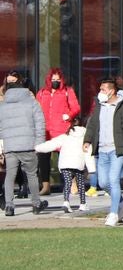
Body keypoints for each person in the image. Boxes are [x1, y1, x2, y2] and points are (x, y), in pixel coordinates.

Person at [83, 80, 123, 226]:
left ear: (112, 91)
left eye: (103, 89)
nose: (100, 92)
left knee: (114, 180)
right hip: (102, 150)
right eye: (100, 89)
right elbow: (93, 124)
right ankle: (122, 202)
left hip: (117, 150)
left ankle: (113, 213)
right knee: (103, 182)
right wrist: (87, 140)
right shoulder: (99, 106)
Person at [0, 74, 48, 215]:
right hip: (28, 144)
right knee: (32, 175)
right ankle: (36, 204)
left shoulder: (2, 106)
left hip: (10, 146)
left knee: (10, 175)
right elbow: (40, 123)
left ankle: (9, 206)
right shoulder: (31, 102)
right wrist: (39, 143)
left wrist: (2, 146)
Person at [35, 67, 81, 197]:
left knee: (65, 158)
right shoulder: (42, 93)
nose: (55, 81)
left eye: (57, 79)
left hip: (62, 129)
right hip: (45, 130)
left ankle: (71, 183)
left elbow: (76, 107)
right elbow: (36, 108)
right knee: (43, 158)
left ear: (62, 80)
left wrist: (69, 115)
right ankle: (45, 185)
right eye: (53, 79)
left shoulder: (67, 91)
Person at [36, 116, 90, 213]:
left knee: (67, 183)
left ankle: (66, 202)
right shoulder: (85, 136)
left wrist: (36, 148)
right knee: (80, 183)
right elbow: (88, 150)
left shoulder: (65, 136)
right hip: (78, 162)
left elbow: (51, 144)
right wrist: (91, 168)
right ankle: (83, 204)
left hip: (65, 163)